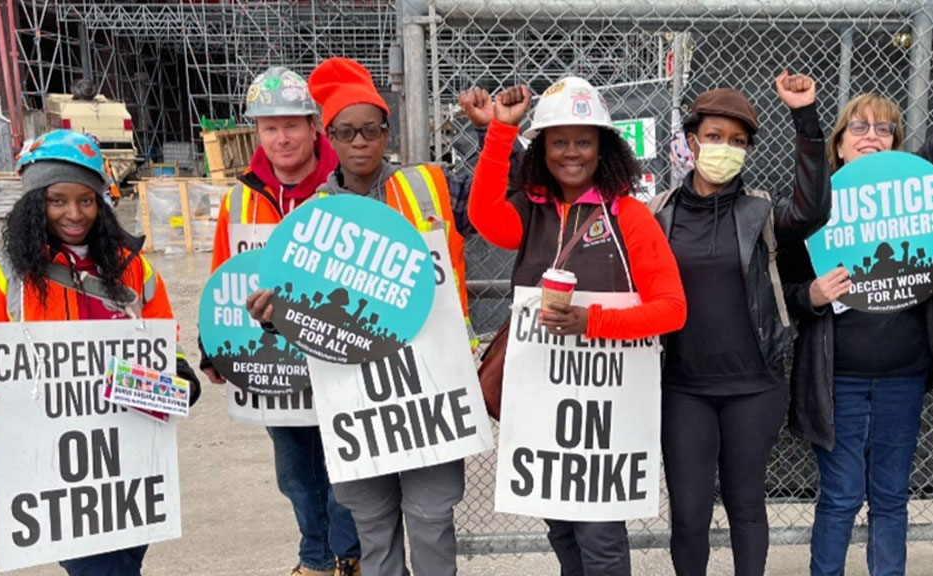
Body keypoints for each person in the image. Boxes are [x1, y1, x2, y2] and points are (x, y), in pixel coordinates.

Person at [246, 56, 497, 576]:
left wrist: (491, 134)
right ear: (328, 138)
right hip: (356, 397)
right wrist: (274, 318)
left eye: (370, 129)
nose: (359, 142)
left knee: (431, 522)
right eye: (346, 132)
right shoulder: (307, 218)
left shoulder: (429, 185)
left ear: (386, 133)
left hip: (427, 388)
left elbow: (494, 206)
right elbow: (302, 313)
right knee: (374, 531)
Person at [0, 128, 202, 575]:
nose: (74, 213)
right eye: (57, 200)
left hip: (132, 458)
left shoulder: (134, 268)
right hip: (56, 470)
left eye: (86, 200)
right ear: (34, 202)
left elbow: (171, 353)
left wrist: (177, 381)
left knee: (123, 564)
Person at [468, 77, 687, 575]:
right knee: (561, 530)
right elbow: (483, 216)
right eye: (558, 141)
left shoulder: (629, 217)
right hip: (542, 405)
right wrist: (502, 132)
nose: (571, 153)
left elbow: (672, 309)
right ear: (541, 148)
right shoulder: (529, 211)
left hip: (606, 416)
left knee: (601, 537)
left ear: (603, 147)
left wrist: (591, 321)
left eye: (584, 141)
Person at [783, 12, 933, 573]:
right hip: (837, 377)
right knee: (838, 497)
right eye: (857, 128)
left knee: (890, 497)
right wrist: (810, 295)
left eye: (883, 128)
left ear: (898, 144)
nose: (870, 136)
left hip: (903, 374)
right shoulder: (814, 207)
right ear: (838, 146)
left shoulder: (916, 187)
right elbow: (781, 291)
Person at [647, 73, 829, 576]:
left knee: (747, 508)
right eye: (713, 137)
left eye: (737, 142)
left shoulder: (762, 212)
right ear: (690, 141)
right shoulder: (659, 214)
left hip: (754, 386)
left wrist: (804, 117)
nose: (724, 149)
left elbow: (813, 210)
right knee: (689, 517)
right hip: (683, 388)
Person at [199, 66, 362, 576]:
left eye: (292, 124)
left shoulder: (344, 191)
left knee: (346, 464)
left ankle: (347, 556)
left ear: (315, 126)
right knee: (295, 470)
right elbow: (221, 276)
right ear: (257, 132)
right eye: (270, 127)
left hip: (336, 352)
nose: (282, 137)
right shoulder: (241, 198)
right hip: (272, 360)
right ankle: (315, 557)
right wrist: (214, 346)